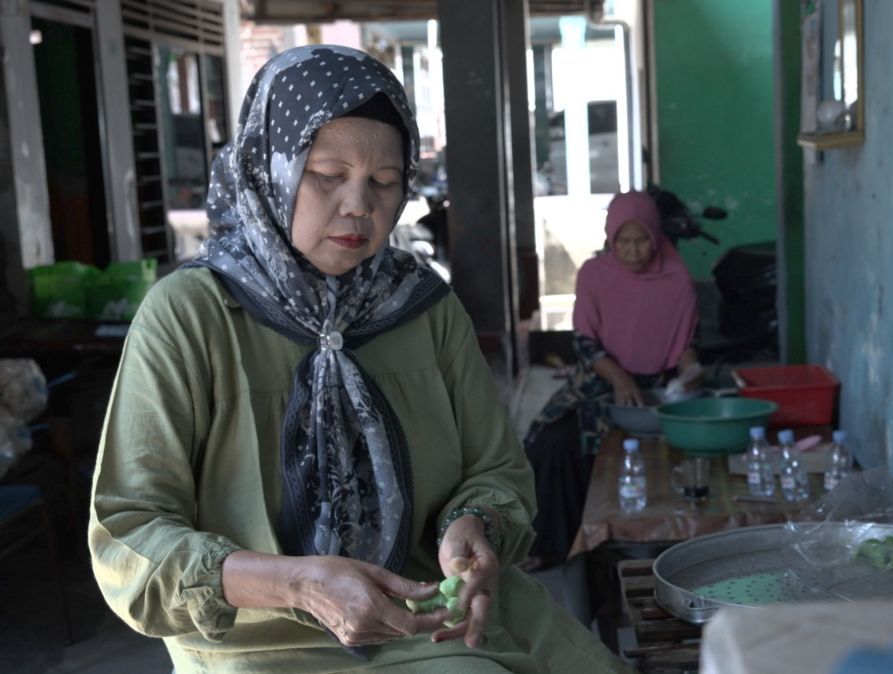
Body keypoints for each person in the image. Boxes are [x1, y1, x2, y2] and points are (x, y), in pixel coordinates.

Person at [88, 45, 628, 674]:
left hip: (433, 621)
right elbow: (130, 536)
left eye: (384, 181)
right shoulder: (190, 315)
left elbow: (497, 473)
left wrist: (471, 528)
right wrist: (294, 583)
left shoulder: (423, 307)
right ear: (271, 168)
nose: (358, 204)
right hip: (260, 646)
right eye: (326, 173)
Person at [521, 191, 701, 568]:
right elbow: (584, 343)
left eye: (641, 241)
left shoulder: (677, 278)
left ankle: (645, 544)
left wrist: (690, 373)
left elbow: (685, 345)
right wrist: (620, 379)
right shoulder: (594, 275)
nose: (633, 251)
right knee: (551, 442)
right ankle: (553, 546)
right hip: (600, 380)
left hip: (654, 390)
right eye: (624, 241)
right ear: (610, 239)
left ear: (655, 237)